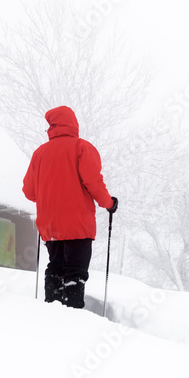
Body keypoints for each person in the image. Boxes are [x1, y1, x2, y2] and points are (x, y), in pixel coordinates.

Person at [22, 106, 118, 309]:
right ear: (73, 123)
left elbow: (29, 192)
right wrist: (109, 203)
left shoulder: (39, 154)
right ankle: (72, 316)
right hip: (77, 225)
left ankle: (51, 309)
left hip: (50, 227)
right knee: (75, 271)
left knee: (55, 267)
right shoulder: (81, 148)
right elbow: (93, 182)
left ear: (52, 126)